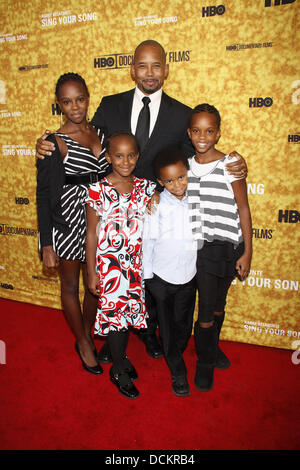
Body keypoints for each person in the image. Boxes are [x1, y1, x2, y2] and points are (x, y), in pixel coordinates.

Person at [35, 40, 248, 361]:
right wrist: (44, 144)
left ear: (166, 68)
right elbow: (90, 142)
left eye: (157, 65)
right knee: (113, 274)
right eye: (143, 66)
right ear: (132, 69)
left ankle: (149, 333)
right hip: (111, 210)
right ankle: (110, 337)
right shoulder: (110, 105)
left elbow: (195, 158)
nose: (150, 73)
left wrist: (235, 163)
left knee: (149, 274)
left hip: (157, 208)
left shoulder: (182, 114)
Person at [36, 73, 109, 376]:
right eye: (67, 101)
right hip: (67, 223)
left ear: (88, 97)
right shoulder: (53, 143)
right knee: (70, 286)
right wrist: (46, 243)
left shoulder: (102, 133)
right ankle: (82, 342)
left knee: (94, 286)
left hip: (101, 222)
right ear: (59, 104)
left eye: (80, 98)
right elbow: (42, 195)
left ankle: (88, 331)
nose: (75, 106)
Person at [85, 131, 156, 399]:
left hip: (134, 266)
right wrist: (92, 271)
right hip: (109, 267)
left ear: (137, 156)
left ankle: (120, 356)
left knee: (127, 316)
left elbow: (164, 200)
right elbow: (91, 233)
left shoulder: (145, 187)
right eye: (118, 155)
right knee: (117, 319)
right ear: (108, 157)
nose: (125, 161)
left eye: (130, 155)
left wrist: (157, 196)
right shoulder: (97, 190)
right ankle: (118, 369)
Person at [187, 103, 252, 392]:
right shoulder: (184, 167)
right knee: (205, 309)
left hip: (230, 247)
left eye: (209, 130)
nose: (203, 136)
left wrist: (248, 251)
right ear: (189, 133)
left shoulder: (231, 164)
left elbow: (244, 208)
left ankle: (211, 349)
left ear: (218, 133)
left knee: (218, 306)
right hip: (201, 249)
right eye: (197, 130)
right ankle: (204, 362)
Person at [143, 148, 197, 397]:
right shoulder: (156, 206)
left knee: (183, 324)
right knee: (166, 328)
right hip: (162, 279)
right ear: (160, 182)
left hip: (189, 275)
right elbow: (148, 242)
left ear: (188, 174)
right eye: (170, 180)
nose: (177, 185)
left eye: (181, 177)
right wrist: (148, 277)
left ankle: (177, 347)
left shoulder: (196, 200)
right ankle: (177, 369)